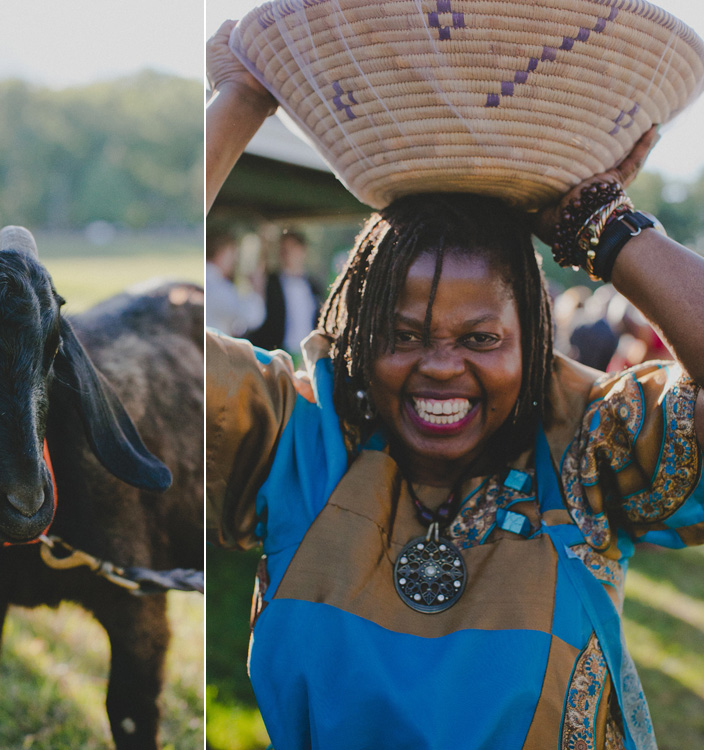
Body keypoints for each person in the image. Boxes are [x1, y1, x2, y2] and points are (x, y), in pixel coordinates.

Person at [206, 18, 704, 750]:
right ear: (358, 332)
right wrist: (243, 98)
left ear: (533, 342)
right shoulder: (296, 433)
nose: (440, 366)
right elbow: (137, 351)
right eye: (403, 336)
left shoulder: (586, 441)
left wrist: (606, 227)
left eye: (480, 339)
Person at [244, 230, 323, 356]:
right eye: (284, 250)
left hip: (307, 354)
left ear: (303, 250)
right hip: (276, 353)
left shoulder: (314, 286)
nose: (287, 254)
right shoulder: (270, 282)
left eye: (292, 249)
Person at [206, 228, 266, 337]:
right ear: (221, 252)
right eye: (232, 252)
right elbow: (253, 318)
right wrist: (257, 288)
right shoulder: (218, 288)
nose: (234, 259)